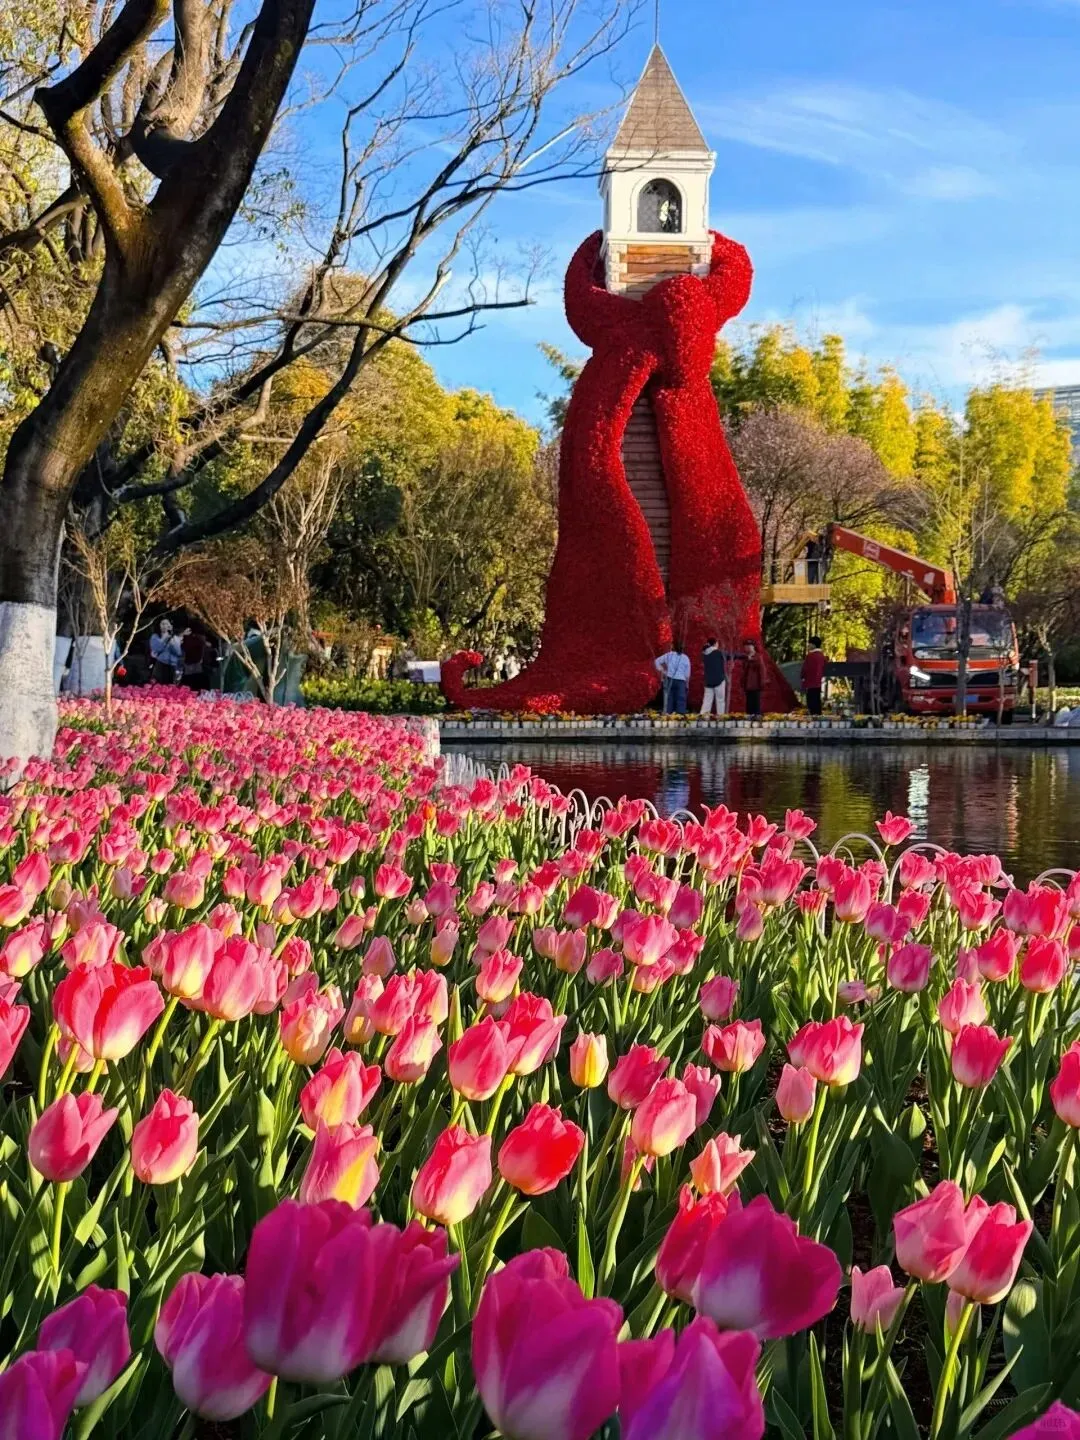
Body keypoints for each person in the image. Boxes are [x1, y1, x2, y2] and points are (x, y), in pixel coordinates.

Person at [654, 642, 690, 715]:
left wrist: (663, 671)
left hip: (670, 678)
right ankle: (680, 716)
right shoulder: (685, 657)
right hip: (681, 680)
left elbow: (656, 661)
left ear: (672, 646)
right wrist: (687, 683)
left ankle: (668, 715)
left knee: (669, 698)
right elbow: (687, 673)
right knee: (681, 699)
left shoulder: (669, 655)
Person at [150, 618, 183, 684]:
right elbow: (156, 649)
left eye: (167, 624)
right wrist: (164, 639)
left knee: (171, 686)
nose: (165, 626)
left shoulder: (175, 637)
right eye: (163, 624)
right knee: (158, 685)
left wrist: (173, 643)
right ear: (159, 625)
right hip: (160, 664)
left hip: (172, 666)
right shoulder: (155, 636)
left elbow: (178, 652)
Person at [801, 634, 827, 717]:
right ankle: (818, 717)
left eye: (809, 644)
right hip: (818, 681)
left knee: (811, 701)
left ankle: (813, 717)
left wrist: (802, 677)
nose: (808, 645)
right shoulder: (822, 656)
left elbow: (805, 669)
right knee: (817, 700)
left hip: (810, 681)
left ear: (813, 645)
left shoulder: (810, 656)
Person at [701, 637, 727, 716]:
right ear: (715, 643)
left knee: (707, 700)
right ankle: (720, 717)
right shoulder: (719, 653)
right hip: (719, 680)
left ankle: (703, 717)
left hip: (708, 681)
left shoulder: (704, 653)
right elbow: (730, 655)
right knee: (720, 700)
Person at [741, 639, 764, 716]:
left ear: (753, 647)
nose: (747, 648)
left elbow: (762, 670)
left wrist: (762, 682)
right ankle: (749, 717)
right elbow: (743, 669)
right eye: (746, 646)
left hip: (755, 683)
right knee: (749, 702)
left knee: (756, 702)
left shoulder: (758, 657)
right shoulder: (745, 657)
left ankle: (757, 717)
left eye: (749, 646)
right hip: (747, 684)